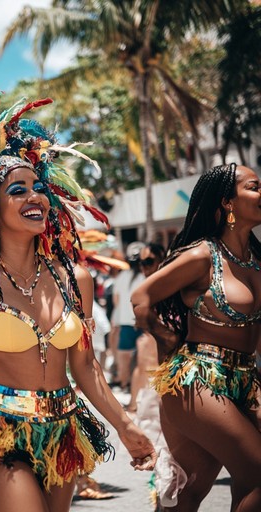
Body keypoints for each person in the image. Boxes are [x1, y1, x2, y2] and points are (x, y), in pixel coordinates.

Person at [0, 56, 157, 512]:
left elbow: (85, 368)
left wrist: (125, 424)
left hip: (62, 432)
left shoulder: (73, 277)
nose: (34, 196)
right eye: (17, 190)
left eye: (38, 187)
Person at [131, 163, 261, 511]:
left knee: (190, 488)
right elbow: (141, 297)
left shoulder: (255, 259)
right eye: (254, 187)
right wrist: (165, 339)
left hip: (246, 379)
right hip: (198, 378)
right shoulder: (204, 255)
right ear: (227, 203)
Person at [126, 242, 166, 414]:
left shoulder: (169, 283)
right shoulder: (145, 285)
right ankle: (135, 404)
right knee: (143, 366)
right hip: (150, 337)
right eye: (141, 263)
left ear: (161, 260)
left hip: (164, 341)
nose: (144, 267)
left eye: (149, 261)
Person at [113, 242, 145, 392]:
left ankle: (124, 382)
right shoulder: (146, 275)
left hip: (126, 322)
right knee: (142, 358)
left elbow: (116, 300)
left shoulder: (121, 277)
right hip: (142, 322)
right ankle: (134, 386)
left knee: (124, 355)